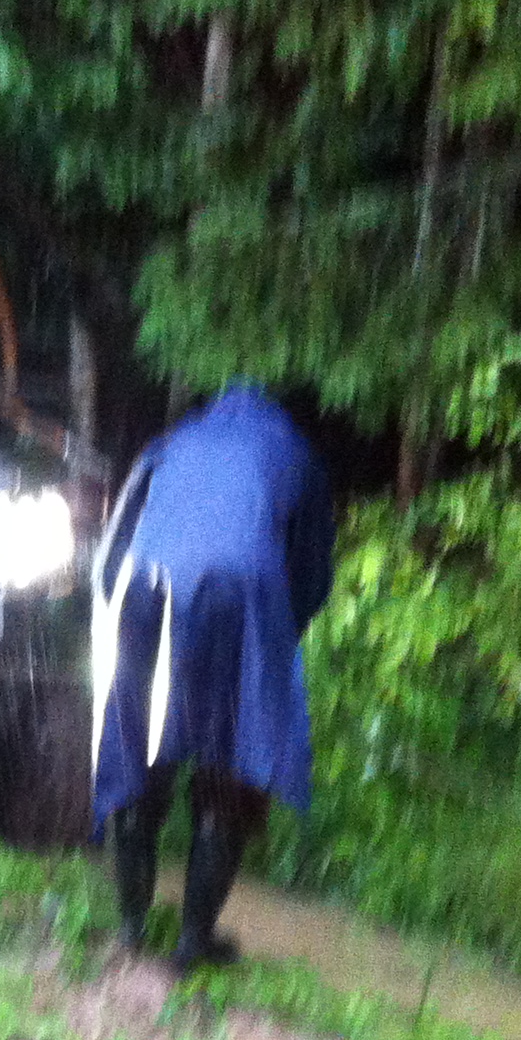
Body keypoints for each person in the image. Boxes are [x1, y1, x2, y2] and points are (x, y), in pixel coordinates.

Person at [92, 384, 332, 972]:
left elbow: (111, 556)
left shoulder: (172, 444)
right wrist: (271, 645)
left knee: (140, 746)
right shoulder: (296, 455)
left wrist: (121, 628)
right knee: (231, 761)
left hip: (144, 586)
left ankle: (131, 929)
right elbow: (310, 576)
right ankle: (192, 942)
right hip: (239, 597)